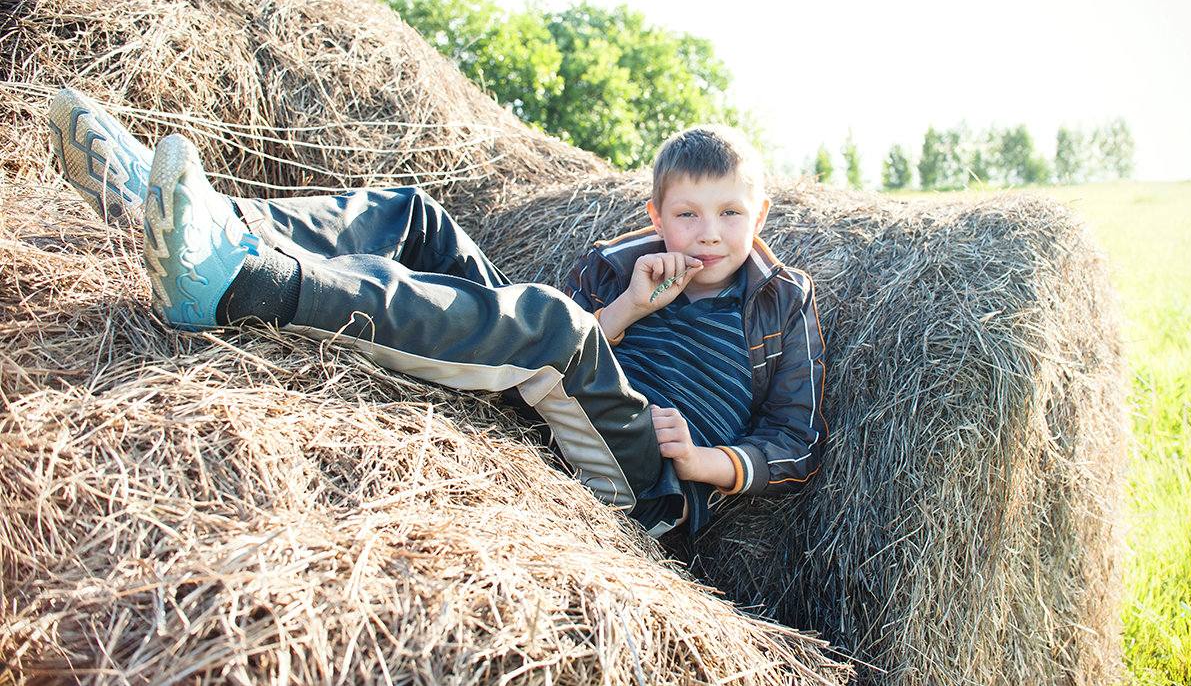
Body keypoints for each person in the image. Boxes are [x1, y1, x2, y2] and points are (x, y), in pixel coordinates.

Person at [48, 87, 827, 536]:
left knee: (559, 328)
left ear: (758, 215)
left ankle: (240, 285)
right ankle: (188, 214)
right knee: (414, 214)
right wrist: (626, 303)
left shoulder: (780, 301)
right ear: (657, 214)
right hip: (566, 414)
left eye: (731, 214)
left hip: (651, 483)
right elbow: (563, 352)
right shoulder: (621, 268)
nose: (711, 233)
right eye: (689, 214)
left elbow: (796, 439)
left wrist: (706, 461)